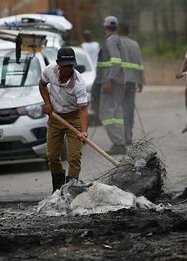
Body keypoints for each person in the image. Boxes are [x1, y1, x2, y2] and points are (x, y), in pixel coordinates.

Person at [39, 47, 89, 192]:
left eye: (70, 65)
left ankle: (70, 191)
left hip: (74, 118)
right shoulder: (49, 71)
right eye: (64, 65)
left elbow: (83, 110)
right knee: (52, 156)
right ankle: (57, 189)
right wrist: (48, 103)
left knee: (74, 158)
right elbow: (42, 85)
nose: (67, 69)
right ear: (58, 64)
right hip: (55, 118)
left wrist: (83, 132)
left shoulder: (78, 83)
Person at [93, 16, 126, 155]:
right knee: (116, 113)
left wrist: (108, 80)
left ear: (105, 27)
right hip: (116, 81)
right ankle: (120, 143)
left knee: (106, 114)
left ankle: (118, 143)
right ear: (116, 27)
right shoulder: (116, 39)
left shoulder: (111, 40)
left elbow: (116, 61)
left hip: (110, 82)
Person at [119, 23, 145, 145]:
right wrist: (140, 81)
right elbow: (139, 63)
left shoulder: (115, 44)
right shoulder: (135, 45)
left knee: (119, 109)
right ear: (129, 32)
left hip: (117, 82)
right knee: (129, 109)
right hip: (131, 82)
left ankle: (121, 136)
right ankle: (128, 134)